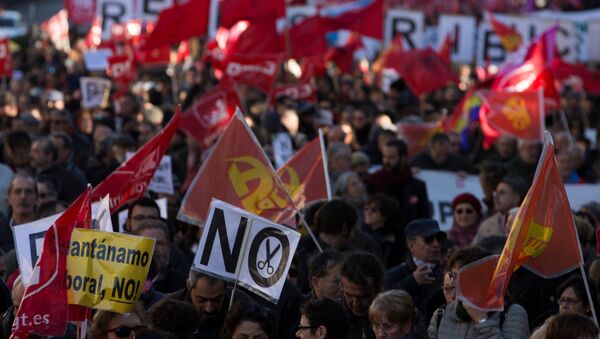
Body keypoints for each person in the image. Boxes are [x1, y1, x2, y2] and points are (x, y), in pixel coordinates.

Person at [428, 246, 530, 339]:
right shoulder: (440, 315)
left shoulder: (512, 314)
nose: (454, 293)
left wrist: (482, 321)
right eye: (453, 276)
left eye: (464, 279)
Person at [364, 139, 430, 234]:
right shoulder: (373, 181)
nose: (386, 161)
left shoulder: (417, 186)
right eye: (385, 157)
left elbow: (424, 216)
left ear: (403, 158)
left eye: (391, 157)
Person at [385, 219, 446, 317]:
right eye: (429, 239)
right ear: (412, 245)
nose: (436, 244)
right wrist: (412, 282)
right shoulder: (394, 274)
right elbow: (382, 303)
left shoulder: (447, 272)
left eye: (439, 239)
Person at [166, 270, 246, 339]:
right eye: (201, 300)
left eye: (217, 300)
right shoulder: (167, 310)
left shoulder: (240, 304)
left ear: (225, 289)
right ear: (189, 285)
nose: (209, 308)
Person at [531, 275, 598, 338]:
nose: (564, 305)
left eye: (570, 301)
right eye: (562, 300)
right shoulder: (551, 325)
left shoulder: (595, 331)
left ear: (587, 307)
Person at [340, 251, 385, 339]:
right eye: (348, 295)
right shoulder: (329, 317)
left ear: (379, 288)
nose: (356, 303)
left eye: (363, 297)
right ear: (341, 287)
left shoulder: (400, 314)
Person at [135, 220, 187, 294]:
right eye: (147, 243)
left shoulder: (183, 285)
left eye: (159, 243)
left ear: (169, 247)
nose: (154, 249)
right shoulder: (124, 279)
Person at [474, 174, 528, 243]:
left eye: (502, 193)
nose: (496, 197)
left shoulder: (529, 224)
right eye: (496, 192)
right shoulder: (486, 225)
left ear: (516, 198)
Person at [362, 194, 405, 268]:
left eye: (373, 210)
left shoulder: (393, 240)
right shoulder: (362, 234)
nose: (367, 212)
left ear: (385, 216)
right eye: (366, 209)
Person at [1, 172, 37, 252]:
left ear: (36, 198)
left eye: (28, 191)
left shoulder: (46, 230)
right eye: (17, 191)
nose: (23, 196)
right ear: (9, 198)